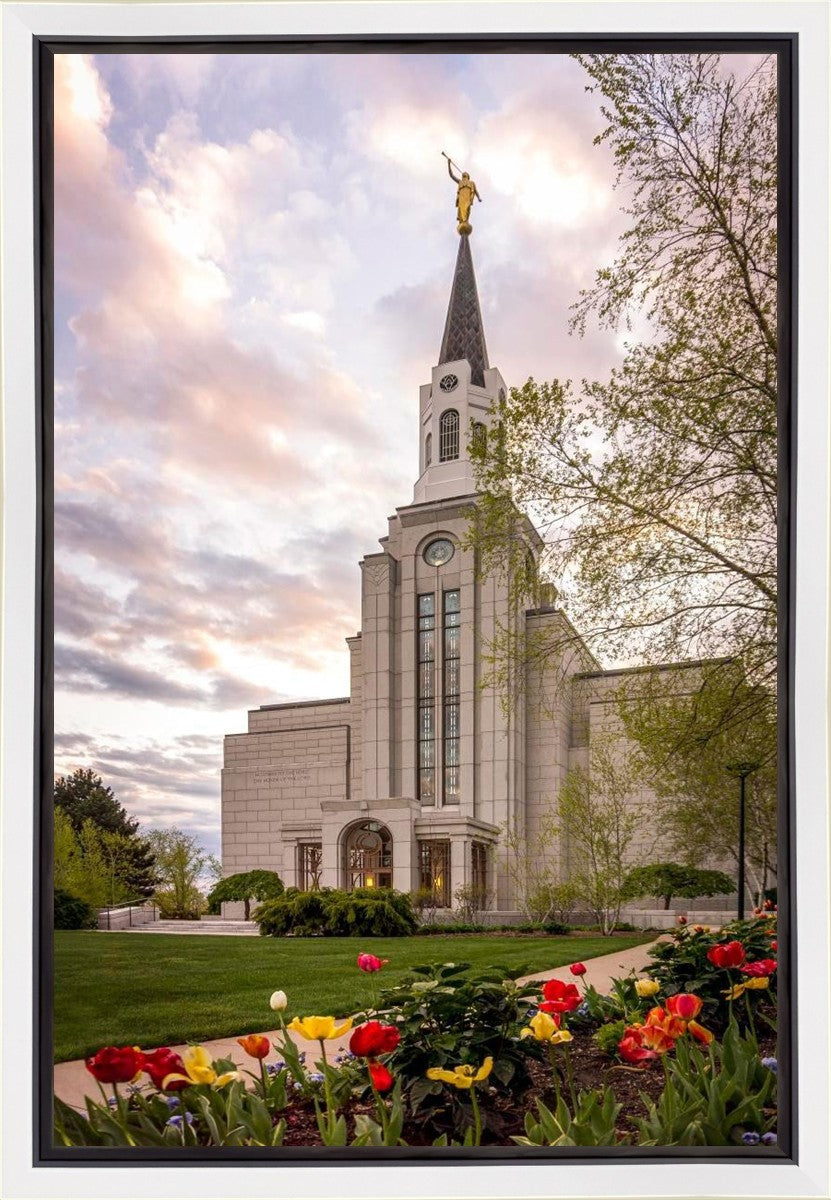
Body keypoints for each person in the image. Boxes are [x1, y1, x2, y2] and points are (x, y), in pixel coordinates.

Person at [446, 158, 482, 228]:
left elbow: (475, 191)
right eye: (463, 174)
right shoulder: (460, 182)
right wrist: (449, 164)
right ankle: (463, 222)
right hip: (461, 198)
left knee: (467, 208)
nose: (464, 174)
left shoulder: (471, 183)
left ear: (468, 176)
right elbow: (451, 175)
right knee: (462, 211)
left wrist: (478, 197)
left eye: (465, 174)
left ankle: (465, 221)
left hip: (468, 198)